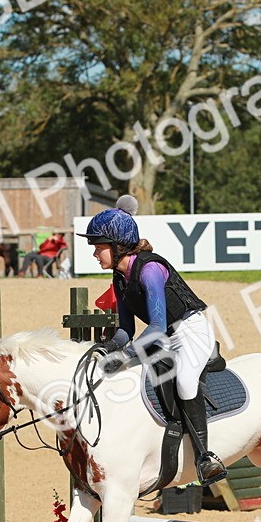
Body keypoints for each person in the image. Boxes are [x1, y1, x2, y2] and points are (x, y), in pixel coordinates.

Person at [81, 204, 227, 486]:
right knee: (127, 375)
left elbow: (158, 328)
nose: (95, 253)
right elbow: (126, 330)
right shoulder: (119, 277)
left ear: (118, 246)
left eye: (99, 247)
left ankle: (205, 457)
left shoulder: (149, 270)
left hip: (189, 330)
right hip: (161, 336)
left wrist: (124, 356)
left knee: (184, 381)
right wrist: (107, 349)